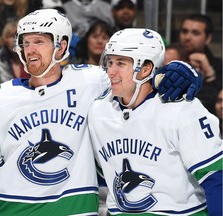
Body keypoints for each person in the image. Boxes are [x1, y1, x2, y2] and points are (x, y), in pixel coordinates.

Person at [0, 9, 203, 216]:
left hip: (75, 211)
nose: (30, 49)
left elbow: (136, 75)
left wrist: (174, 72)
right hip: (12, 210)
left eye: (39, 42)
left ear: (61, 46)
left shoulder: (92, 81)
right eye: (25, 42)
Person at [88, 28, 222, 215]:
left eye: (121, 63)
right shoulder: (98, 111)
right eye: (109, 62)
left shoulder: (181, 109)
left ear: (146, 69)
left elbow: (215, 177)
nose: (111, 71)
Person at [179, 14, 222, 115]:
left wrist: (210, 74)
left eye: (195, 33)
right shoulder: (169, 58)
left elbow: (216, 102)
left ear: (208, 38)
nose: (187, 37)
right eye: (184, 31)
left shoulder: (218, 66)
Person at [0, 20, 30, 90]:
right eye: (11, 36)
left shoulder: (33, 58)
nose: (15, 40)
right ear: (4, 39)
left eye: (19, 36)